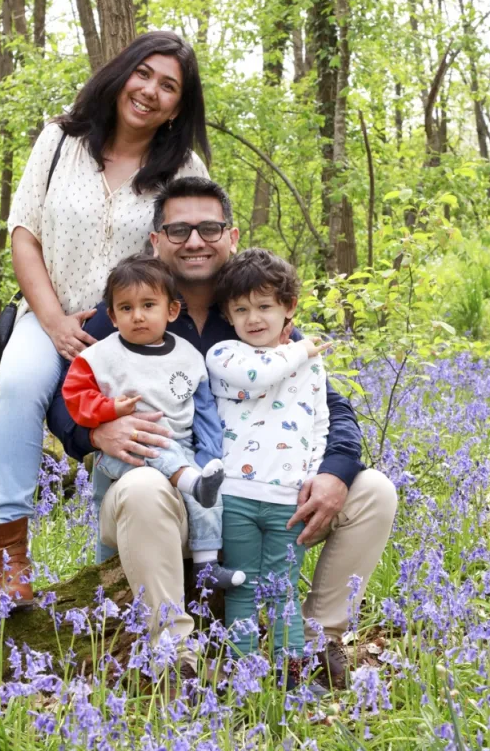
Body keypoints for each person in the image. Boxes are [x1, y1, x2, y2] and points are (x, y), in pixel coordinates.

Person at [47, 176, 398, 680]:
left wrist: (336, 472)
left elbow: (330, 405)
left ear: (231, 237)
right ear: (157, 240)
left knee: (375, 490)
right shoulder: (124, 313)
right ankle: (175, 656)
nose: (195, 241)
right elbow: (64, 398)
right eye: (179, 229)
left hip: (255, 496)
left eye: (209, 228)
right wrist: (93, 434)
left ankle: (316, 644)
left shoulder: (252, 313)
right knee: (145, 484)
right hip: (161, 503)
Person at [0, 31, 212, 607]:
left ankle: (132, 564)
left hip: (137, 329)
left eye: (169, 87)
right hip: (51, 314)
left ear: (178, 107)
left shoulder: (182, 165)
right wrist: (55, 319)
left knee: (141, 433)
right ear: (123, 72)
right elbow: (24, 233)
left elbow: (191, 248)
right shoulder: (61, 139)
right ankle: (8, 552)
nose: (150, 92)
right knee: (16, 386)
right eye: (145, 74)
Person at [62, 254, 244, 588]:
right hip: (127, 454)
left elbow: (203, 411)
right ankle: (189, 481)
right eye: (126, 308)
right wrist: (109, 410)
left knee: (208, 499)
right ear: (113, 316)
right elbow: (74, 398)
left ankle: (206, 566)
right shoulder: (100, 357)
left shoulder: (188, 356)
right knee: (158, 450)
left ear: (171, 311)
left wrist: (208, 454)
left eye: (148, 305)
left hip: (184, 452)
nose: (138, 316)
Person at [206, 247, 331, 688]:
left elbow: (320, 422)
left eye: (264, 306)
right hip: (236, 495)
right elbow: (258, 377)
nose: (253, 318)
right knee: (240, 586)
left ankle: (289, 677)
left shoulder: (311, 365)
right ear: (228, 314)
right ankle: (244, 675)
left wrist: (315, 473)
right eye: (241, 309)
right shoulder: (224, 355)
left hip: (288, 499)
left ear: (288, 307)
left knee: (283, 592)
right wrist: (303, 348)